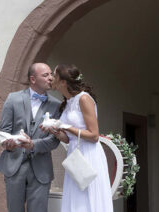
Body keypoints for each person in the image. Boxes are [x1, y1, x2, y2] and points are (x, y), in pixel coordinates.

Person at [47, 64, 113, 212]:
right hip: (74, 155)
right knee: (76, 201)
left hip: (89, 155)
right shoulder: (68, 102)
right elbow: (69, 138)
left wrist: (65, 126)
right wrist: (55, 130)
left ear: (63, 81)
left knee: (88, 200)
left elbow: (94, 135)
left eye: (54, 75)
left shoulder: (84, 99)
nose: (51, 78)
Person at [0, 62, 61, 212]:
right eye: (45, 75)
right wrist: (8, 143)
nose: (50, 78)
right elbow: (3, 131)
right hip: (14, 166)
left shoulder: (56, 105)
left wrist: (33, 145)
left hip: (41, 169)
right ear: (33, 79)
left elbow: (54, 141)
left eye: (51, 74)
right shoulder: (13, 99)